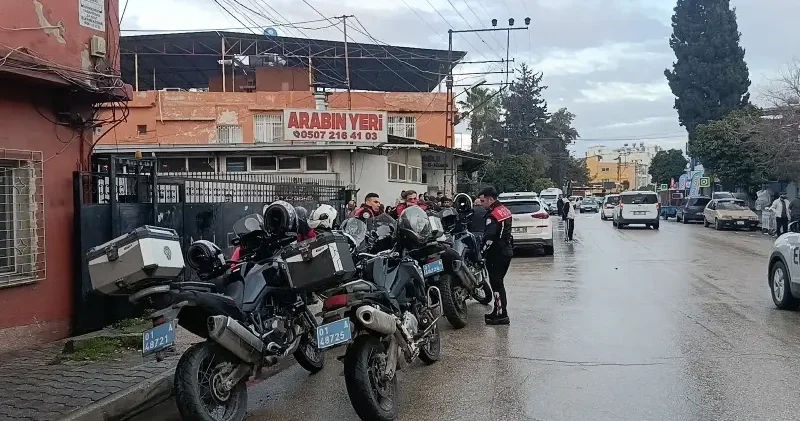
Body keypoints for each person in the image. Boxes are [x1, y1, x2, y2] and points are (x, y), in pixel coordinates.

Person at [478, 186, 513, 326]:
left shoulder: (493, 215)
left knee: (496, 284)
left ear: (490, 199)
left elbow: (490, 236)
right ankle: (498, 310)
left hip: (497, 253)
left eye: (483, 201)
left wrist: (482, 252)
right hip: (506, 249)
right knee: (499, 283)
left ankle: (501, 315)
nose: (481, 204)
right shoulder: (504, 210)